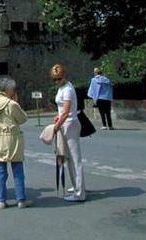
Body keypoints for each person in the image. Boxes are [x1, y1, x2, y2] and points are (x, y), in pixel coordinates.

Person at [0, 77, 30, 209]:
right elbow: (23, 119)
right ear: (9, 90)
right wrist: (16, 102)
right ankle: (21, 200)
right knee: (18, 170)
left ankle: (1, 200)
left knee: (0, 171)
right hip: (12, 139)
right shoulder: (11, 104)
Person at [51, 63, 85, 202]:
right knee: (68, 158)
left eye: (58, 78)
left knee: (75, 158)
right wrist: (58, 118)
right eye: (54, 79)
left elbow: (66, 112)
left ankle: (80, 192)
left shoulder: (67, 90)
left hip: (70, 124)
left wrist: (56, 126)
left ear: (64, 75)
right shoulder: (62, 88)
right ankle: (76, 185)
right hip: (65, 123)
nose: (57, 81)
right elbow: (62, 111)